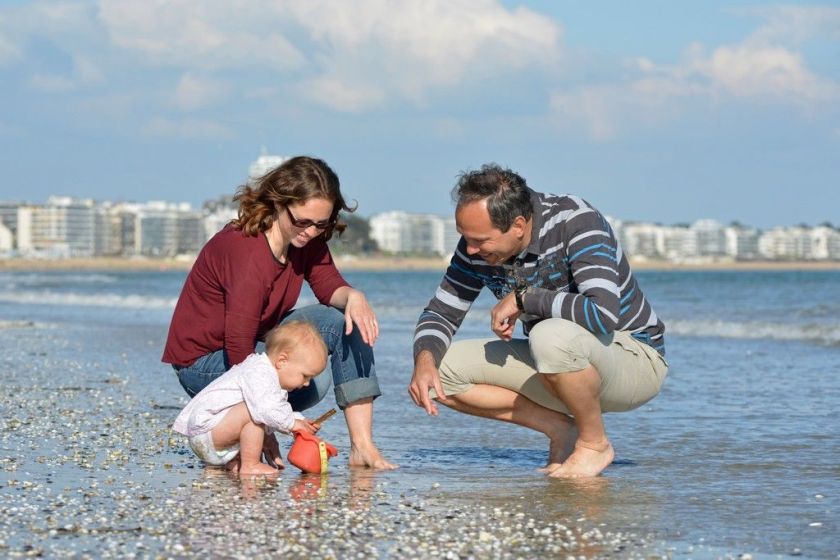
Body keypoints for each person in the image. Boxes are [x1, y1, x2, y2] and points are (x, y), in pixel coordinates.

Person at [408, 164, 668, 478]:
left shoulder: (576, 221)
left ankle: (594, 443)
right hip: (558, 359)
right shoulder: (475, 249)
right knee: (438, 374)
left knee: (549, 336)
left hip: (633, 356)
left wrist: (524, 298)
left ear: (518, 224)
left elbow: (603, 314)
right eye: (465, 238)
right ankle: (562, 430)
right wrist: (423, 361)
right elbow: (441, 312)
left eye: (480, 240)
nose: (471, 249)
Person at [163, 155, 396, 470]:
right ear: (277, 203)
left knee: (342, 322)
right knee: (314, 377)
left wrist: (355, 296)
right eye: (302, 221)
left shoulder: (305, 239)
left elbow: (329, 287)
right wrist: (264, 428)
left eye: (321, 223)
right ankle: (233, 430)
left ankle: (363, 447)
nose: (311, 232)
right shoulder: (247, 252)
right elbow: (239, 347)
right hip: (205, 362)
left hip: (252, 351)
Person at [173, 321, 327, 476]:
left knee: (257, 413)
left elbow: (276, 408)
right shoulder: (259, 373)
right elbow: (266, 410)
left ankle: (235, 463)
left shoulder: (269, 375)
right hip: (206, 431)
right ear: (282, 361)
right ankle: (250, 465)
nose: (307, 383)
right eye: (305, 376)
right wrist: (292, 424)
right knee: (255, 414)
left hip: (216, 437)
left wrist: (299, 420)